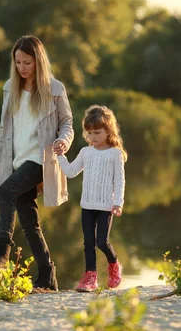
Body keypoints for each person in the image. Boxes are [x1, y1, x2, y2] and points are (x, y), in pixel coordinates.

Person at [0, 35, 74, 291]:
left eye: (27, 63)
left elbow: (67, 122)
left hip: (40, 158)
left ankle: (2, 252)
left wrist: (64, 140)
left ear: (38, 62)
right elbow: (4, 128)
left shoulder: (54, 89)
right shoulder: (10, 88)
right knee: (29, 220)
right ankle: (47, 275)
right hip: (16, 159)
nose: (22, 67)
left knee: (5, 191)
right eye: (18, 62)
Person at [53, 105, 127, 291]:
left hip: (106, 206)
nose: (93, 136)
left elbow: (119, 181)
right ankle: (90, 277)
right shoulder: (86, 152)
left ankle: (114, 265)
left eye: (97, 132)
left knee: (102, 241)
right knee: (88, 243)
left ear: (108, 130)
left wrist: (118, 202)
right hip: (87, 205)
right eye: (90, 133)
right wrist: (60, 156)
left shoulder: (115, 154)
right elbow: (70, 172)